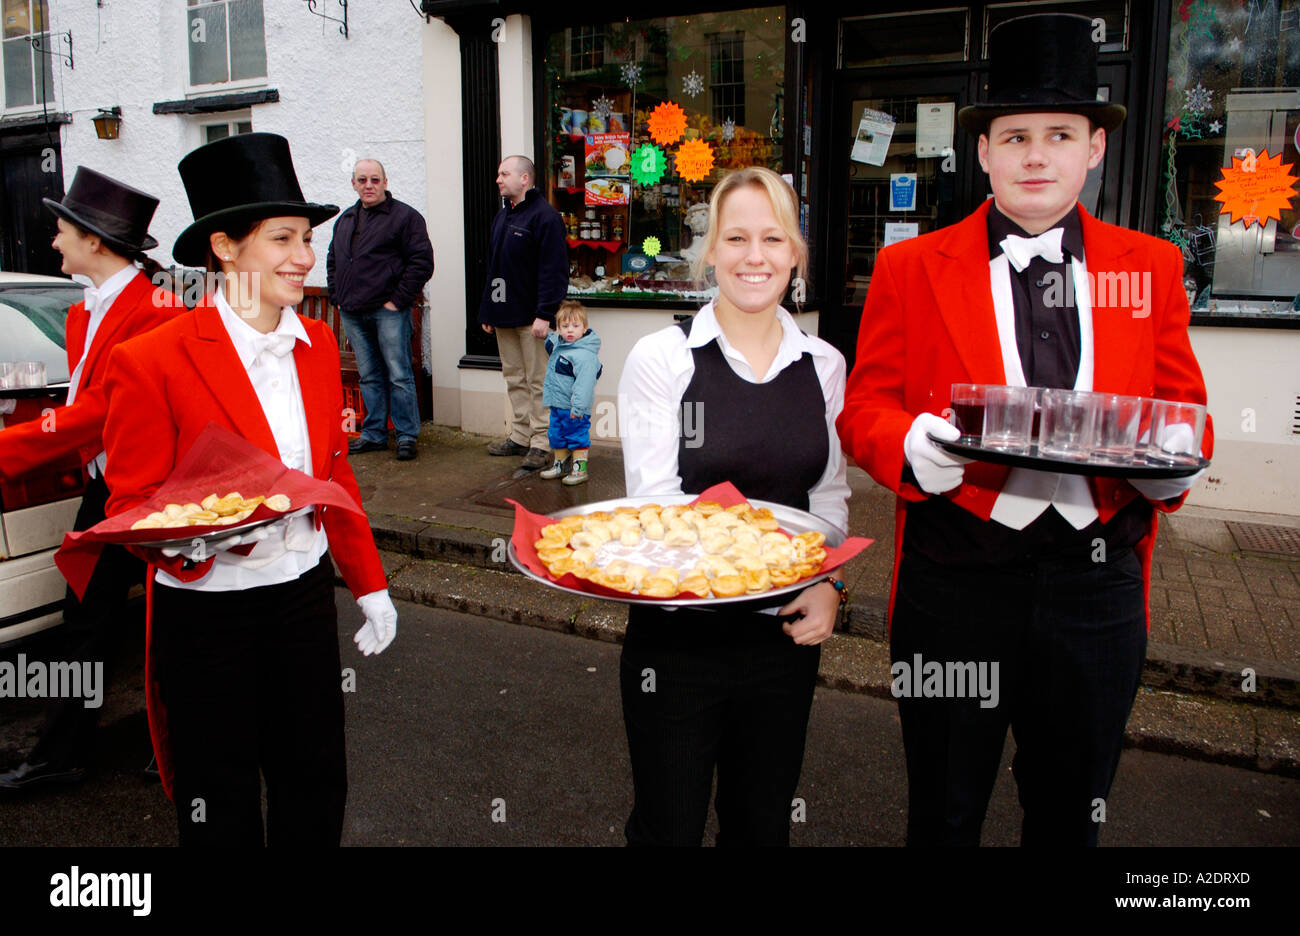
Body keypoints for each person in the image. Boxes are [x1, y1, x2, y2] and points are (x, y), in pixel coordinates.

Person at [836, 13, 1213, 846]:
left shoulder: (1149, 268)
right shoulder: (909, 267)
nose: (1035, 154)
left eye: (1058, 134)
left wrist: (1172, 467)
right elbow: (863, 407)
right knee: (942, 810)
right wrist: (905, 446)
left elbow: (1187, 414)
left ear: (1094, 148)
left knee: (1071, 814)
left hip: (1096, 592)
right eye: (1014, 136)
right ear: (984, 152)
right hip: (955, 583)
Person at [101, 133, 398, 846]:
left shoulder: (320, 344)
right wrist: (203, 536)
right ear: (226, 248)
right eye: (283, 239)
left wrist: (369, 583)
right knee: (220, 801)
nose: (305, 256)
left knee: (315, 786)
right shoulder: (151, 359)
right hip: (207, 622)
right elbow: (127, 505)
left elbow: (331, 471)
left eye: (307, 238)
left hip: (300, 601)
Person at [617, 166, 851, 846]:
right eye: (737, 238)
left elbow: (828, 499)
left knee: (761, 824)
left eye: (774, 239)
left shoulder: (825, 365)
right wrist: (764, 552)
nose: (756, 257)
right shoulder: (663, 358)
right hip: (679, 637)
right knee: (669, 826)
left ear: (795, 255)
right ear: (710, 250)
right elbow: (657, 507)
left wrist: (831, 581)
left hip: (782, 637)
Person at [0, 168, 180, 792]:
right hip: (109, 488)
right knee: (86, 621)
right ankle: (61, 753)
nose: (54, 242)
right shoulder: (84, 312)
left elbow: (98, 410)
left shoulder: (157, 313)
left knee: (173, 624)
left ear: (96, 242)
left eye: (61, 230)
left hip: (158, 492)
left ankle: (183, 749)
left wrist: (6, 450)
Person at [326, 158, 433, 461]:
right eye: (362, 180)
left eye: (374, 180)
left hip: (387, 310)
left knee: (399, 374)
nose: (368, 185)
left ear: (385, 183)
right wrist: (337, 294)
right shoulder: (346, 219)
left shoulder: (405, 217)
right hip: (352, 310)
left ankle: (406, 436)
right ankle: (374, 434)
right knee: (369, 375)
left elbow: (422, 262)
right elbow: (334, 259)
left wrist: (397, 300)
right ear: (354, 184)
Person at [477, 155, 570, 471]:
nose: (499, 180)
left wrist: (545, 313)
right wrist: (489, 309)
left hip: (533, 320)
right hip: (505, 316)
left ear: (524, 179)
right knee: (514, 378)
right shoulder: (502, 218)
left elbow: (554, 271)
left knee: (539, 381)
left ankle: (543, 443)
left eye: (504, 174)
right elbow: (496, 269)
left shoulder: (545, 218)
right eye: (499, 174)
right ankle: (519, 435)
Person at [538, 300, 601, 486]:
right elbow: (550, 342)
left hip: (575, 407)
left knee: (576, 436)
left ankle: (579, 468)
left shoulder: (585, 355)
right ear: (558, 328)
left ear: (585, 328)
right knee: (556, 435)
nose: (570, 330)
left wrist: (579, 407)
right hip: (557, 404)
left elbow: (584, 384)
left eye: (575, 326)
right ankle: (561, 464)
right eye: (565, 326)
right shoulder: (560, 347)